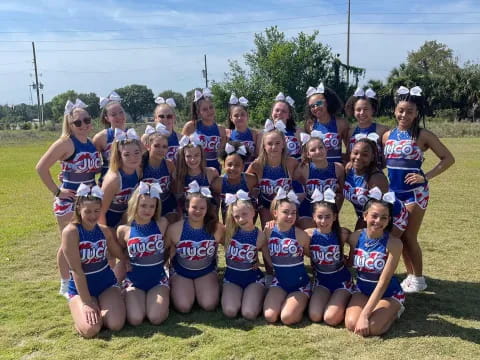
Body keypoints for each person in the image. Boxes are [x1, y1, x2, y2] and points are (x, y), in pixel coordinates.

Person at [383, 86, 454, 293]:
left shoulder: (423, 135)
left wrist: (425, 176)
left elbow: (448, 158)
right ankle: (410, 276)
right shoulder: (387, 135)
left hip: (415, 194)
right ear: (395, 111)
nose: (404, 115)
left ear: (416, 114)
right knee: (399, 236)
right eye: (401, 110)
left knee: (409, 237)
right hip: (394, 194)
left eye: (410, 111)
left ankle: (419, 278)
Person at [36, 99, 102, 297]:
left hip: (88, 202)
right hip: (69, 202)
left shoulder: (90, 143)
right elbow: (41, 167)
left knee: (83, 241)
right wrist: (58, 191)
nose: (83, 125)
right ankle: (65, 283)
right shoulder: (65, 143)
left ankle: (79, 279)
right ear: (70, 124)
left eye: (87, 120)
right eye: (78, 122)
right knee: (68, 242)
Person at [62, 184, 127, 337]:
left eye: (97, 211)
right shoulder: (71, 232)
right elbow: (77, 270)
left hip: (106, 284)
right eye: (88, 211)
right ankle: (79, 306)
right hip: (81, 289)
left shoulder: (103, 231)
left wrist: (129, 260)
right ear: (78, 209)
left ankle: (103, 302)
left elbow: (119, 254)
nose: (93, 215)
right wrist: (86, 303)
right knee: (91, 330)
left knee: (116, 324)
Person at [344, 197, 405, 337]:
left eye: (384, 217)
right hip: (362, 290)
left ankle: (396, 310)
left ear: (389, 220)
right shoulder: (355, 237)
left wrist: (365, 315)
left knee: (373, 329)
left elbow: (383, 282)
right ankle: (375, 309)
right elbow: (350, 260)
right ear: (365, 216)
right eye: (374, 216)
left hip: (388, 293)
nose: (378, 221)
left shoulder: (394, 244)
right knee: (351, 324)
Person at [166, 181, 225, 313]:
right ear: (187, 207)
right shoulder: (175, 229)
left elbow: (232, 247)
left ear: (207, 209)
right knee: (183, 307)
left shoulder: (217, 228)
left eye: (202, 208)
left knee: (209, 305)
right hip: (181, 272)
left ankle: (213, 287)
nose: (198, 211)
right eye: (194, 207)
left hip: (206, 271)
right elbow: (164, 253)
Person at [117, 182, 170, 326]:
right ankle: (128, 296)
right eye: (143, 206)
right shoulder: (124, 230)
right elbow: (121, 252)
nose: (147, 210)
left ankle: (163, 302)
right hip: (135, 281)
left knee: (155, 318)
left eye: (152, 206)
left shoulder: (162, 223)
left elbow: (169, 246)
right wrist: (125, 260)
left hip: (158, 280)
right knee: (135, 319)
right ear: (135, 205)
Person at [304, 189, 353, 325]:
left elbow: (359, 241)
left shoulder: (342, 234)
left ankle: (347, 298)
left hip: (341, 282)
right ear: (313, 216)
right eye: (320, 216)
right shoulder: (308, 235)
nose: (323, 221)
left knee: (330, 319)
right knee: (314, 315)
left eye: (328, 216)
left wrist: (350, 259)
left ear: (335, 217)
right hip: (321, 282)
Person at [263, 189, 311, 325]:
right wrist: (269, 265)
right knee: (270, 316)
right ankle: (286, 300)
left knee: (287, 318)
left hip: (300, 285)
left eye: (293, 213)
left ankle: (304, 301)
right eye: (285, 212)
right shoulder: (268, 230)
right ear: (275, 213)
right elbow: (264, 247)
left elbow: (313, 256)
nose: (290, 216)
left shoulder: (301, 235)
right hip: (279, 282)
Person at [221, 190, 268, 319]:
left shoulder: (260, 236)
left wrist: (264, 267)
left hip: (253, 279)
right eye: (236, 216)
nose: (241, 219)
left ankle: (260, 292)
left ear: (253, 212)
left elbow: (269, 258)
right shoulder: (228, 232)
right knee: (230, 311)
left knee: (249, 313)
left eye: (244, 214)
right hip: (232, 279)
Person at [246, 120, 298, 228]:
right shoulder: (257, 164)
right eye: (270, 144)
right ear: (264, 146)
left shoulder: (291, 163)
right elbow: (244, 182)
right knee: (270, 229)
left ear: (283, 144)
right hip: (265, 204)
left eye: (277, 143)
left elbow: (304, 179)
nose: (274, 147)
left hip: (285, 205)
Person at [294, 131, 345, 229]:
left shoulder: (338, 168)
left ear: (326, 149)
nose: (318, 151)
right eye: (313, 150)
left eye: (321, 147)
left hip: (328, 210)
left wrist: (336, 209)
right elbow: (292, 185)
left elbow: (342, 192)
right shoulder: (303, 168)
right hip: (307, 209)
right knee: (310, 235)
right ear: (308, 154)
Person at [99, 128, 142, 230]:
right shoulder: (114, 179)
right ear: (119, 156)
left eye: (136, 153)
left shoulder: (138, 170)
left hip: (127, 221)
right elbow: (100, 212)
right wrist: (107, 236)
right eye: (127, 154)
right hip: (110, 223)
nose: (133, 158)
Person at [343, 138, 389, 230]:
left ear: (372, 157)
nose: (358, 157)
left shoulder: (376, 178)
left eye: (364, 155)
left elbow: (382, 211)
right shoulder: (349, 169)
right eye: (355, 153)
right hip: (365, 216)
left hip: (388, 217)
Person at [211, 141, 257, 222]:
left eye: (237, 165)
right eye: (229, 164)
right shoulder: (218, 183)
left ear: (243, 167)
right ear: (223, 166)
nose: (233, 168)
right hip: (228, 222)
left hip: (246, 221)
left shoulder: (250, 180)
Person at [182, 88, 226, 173]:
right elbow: (182, 150)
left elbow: (220, 154)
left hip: (214, 169)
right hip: (196, 169)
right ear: (198, 112)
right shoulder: (191, 126)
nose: (209, 111)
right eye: (205, 109)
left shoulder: (221, 129)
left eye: (211, 107)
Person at [174, 132, 219, 213]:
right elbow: (179, 205)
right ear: (183, 157)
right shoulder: (178, 176)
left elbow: (217, 201)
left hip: (207, 217)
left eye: (196, 155)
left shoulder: (211, 173)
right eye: (188, 156)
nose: (193, 160)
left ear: (202, 155)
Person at [141, 123, 178, 223]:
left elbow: (174, 188)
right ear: (148, 146)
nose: (161, 150)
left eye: (164, 147)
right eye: (157, 146)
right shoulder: (140, 166)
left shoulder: (169, 164)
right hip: (147, 206)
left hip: (166, 203)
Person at [304, 83, 349, 163]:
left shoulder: (341, 123)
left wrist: (345, 162)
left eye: (319, 103)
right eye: (312, 106)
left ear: (328, 102)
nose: (316, 108)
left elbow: (345, 147)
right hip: (316, 168)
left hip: (337, 168)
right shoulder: (309, 125)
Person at [345, 87, 389, 169]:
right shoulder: (350, 132)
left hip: (374, 176)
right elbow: (349, 156)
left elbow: (386, 159)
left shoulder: (382, 130)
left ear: (372, 110)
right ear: (353, 111)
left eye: (365, 109)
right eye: (358, 109)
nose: (362, 113)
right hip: (354, 177)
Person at [92, 91, 126, 185]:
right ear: (107, 118)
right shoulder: (100, 137)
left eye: (121, 112)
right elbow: (91, 165)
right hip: (107, 182)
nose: (119, 117)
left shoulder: (132, 134)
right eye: (113, 115)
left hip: (129, 183)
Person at [262, 92, 302, 161]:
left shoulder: (298, 131)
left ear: (289, 115)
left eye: (284, 111)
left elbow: (305, 154)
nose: (279, 113)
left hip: (295, 169)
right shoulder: (264, 133)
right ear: (272, 113)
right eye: (277, 110)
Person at [226, 94, 260, 170]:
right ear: (231, 118)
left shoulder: (254, 134)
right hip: (234, 171)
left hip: (251, 171)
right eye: (236, 115)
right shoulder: (228, 134)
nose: (239, 117)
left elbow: (258, 156)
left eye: (242, 114)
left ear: (247, 116)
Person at [141, 97, 180, 161]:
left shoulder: (181, 138)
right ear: (155, 118)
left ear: (174, 118)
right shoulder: (146, 137)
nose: (165, 119)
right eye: (161, 116)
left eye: (169, 116)